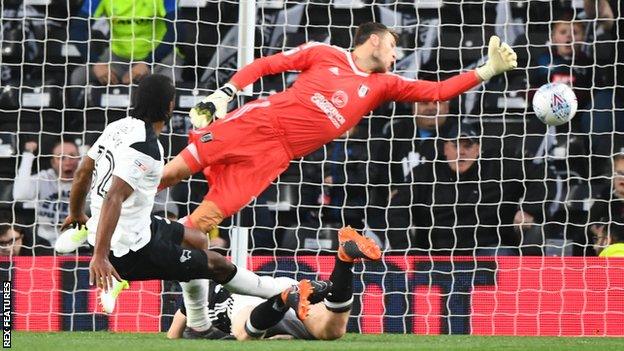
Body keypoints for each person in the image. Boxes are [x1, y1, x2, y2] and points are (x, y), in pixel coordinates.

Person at [158, 22, 518, 236]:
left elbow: (437, 91)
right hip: (258, 123)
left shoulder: (384, 85)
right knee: (172, 173)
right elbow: (268, 64)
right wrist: (225, 94)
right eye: (393, 46)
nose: (395, 55)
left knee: (205, 219)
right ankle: (102, 216)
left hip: (275, 157)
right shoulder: (323, 52)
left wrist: (486, 71)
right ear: (373, 39)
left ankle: (139, 248)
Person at [61, 74, 315, 340]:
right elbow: (114, 196)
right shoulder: (145, 147)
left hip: (132, 227)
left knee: (195, 238)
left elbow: (82, 173)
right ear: (170, 106)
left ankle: (197, 324)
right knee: (217, 263)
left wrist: (77, 212)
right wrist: (100, 256)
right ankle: (284, 290)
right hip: (129, 249)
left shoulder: (118, 127)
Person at [166, 226, 381, 341]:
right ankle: (344, 259)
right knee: (331, 330)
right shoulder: (206, 287)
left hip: (245, 302)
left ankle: (284, 299)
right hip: (279, 289)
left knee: (243, 333)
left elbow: (173, 337)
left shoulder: (201, 294)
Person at [372, 122, 553, 254]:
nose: (461, 152)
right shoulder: (425, 173)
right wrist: (407, 251)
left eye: (468, 145)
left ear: (478, 149)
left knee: (502, 255)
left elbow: (543, 175)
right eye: (455, 145)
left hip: (488, 251)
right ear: (445, 149)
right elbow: (397, 207)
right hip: (435, 255)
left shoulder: (499, 167)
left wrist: (529, 209)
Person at [70, 0, 179, 86]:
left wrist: (148, 63)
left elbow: (177, 31)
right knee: (79, 77)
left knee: (170, 82)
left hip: (159, 58)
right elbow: (77, 28)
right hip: (117, 58)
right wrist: (95, 63)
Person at [13, 140, 80, 250]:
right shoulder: (44, 178)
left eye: (72, 156)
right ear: (53, 162)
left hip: (78, 243)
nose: (68, 161)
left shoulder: (87, 180)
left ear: (79, 159)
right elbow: (20, 194)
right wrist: (28, 154)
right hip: (44, 244)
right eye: (61, 157)